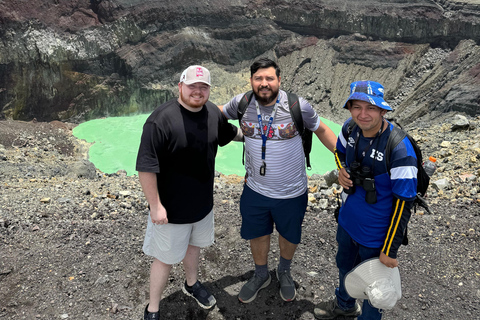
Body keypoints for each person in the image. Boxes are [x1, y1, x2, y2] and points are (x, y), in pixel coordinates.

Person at [220, 58, 337, 303]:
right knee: (258, 233)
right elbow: (216, 116)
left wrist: (344, 158)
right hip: (255, 189)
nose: (264, 84)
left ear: (279, 80)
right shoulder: (241, 103)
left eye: (269, 78)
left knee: (288, 234)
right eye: (258, 78)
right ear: (251, 81)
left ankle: (284, 270)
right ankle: (261, 274)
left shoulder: (297, 106)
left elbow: (322, 130)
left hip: (292, 191)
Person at [136, 65, 242, 320]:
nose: (197, 91)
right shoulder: (159, 120)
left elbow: (232, 133)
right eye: (192, 86)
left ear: (208, 90)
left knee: (194, 247)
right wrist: (155, 206)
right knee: (164, 259)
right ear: (180, 86)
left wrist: (261, 137)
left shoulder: (213, 114)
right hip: (171, 210)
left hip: (202, 205)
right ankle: (152, 308)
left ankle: (191, 284)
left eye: (203, 87)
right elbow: (146, 167)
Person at [314, 80, 418, 320]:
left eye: (371, 108)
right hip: (348, 222)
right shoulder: (349, 129)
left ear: (383, 111)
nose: (363, 114)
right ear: (350, 109)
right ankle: (344, 305)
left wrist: (390, 249)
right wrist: (341, 170)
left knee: (377, 289)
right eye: (357, 107)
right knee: (345, 267)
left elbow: (404, 203)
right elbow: (339, 153)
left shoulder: (399, 148)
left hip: (377, 235)